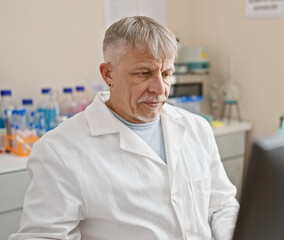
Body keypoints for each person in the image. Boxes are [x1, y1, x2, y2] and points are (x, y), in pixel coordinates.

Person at [9, 16, 239, 240]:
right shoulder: (59, 150)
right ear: (108, 74)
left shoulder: (197, 128)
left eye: (167, 74)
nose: (160, 88)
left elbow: (221, 205)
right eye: (143, 73)